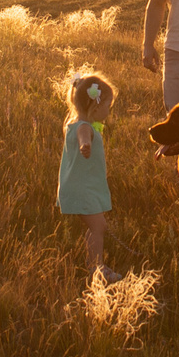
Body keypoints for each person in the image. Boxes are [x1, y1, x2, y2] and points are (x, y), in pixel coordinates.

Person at [56, 72, 122, 281]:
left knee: (97, 225)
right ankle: (96, 268)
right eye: (107, 107)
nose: (108, 112)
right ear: (95, 106)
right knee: (98, 226)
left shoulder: (76, 123)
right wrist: (86, 145)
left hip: (80, 186)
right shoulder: (84, 127)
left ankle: (92, 262)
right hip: (82, 188)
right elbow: (83, 136)